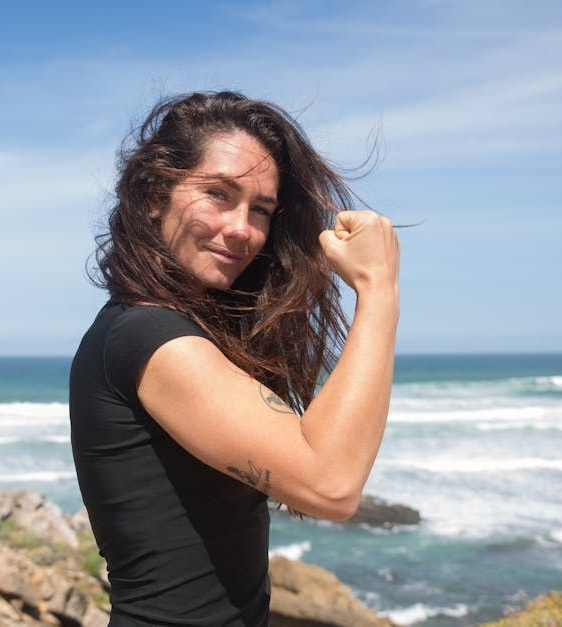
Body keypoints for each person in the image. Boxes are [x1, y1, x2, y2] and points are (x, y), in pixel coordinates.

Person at [69, 91, 399, 626]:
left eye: (261, 209)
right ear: (155, 193)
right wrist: (378, 289)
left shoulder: (163, 331)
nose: (242, 228)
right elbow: (331, 485)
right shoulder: (150, 337)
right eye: (218, 194)